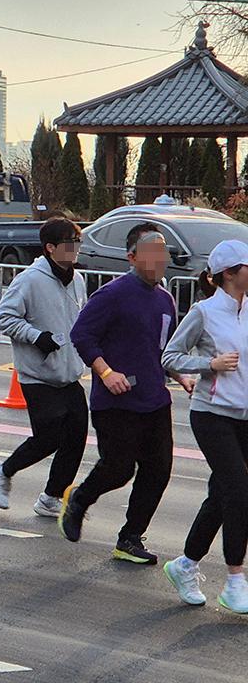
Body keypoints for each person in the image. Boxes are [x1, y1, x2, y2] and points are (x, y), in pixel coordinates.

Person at [60, 222, 191, 564]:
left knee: (158, 470)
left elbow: (161, 351)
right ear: (132, 257)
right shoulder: (112, 294)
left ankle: (129, 538)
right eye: (151, 252)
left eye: (163, 252)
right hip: (116, 401)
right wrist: (105, 372)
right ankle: (79, 499)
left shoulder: (165, 299)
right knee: (119, 469)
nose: (159, 259)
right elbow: (82, 335)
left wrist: (182, 376)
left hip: (154, 400)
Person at [160, 239, 248, 611]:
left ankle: (185, 564)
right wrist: (208, 365)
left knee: (221, 495)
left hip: (246, 417)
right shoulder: (204, 312)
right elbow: (170, 356)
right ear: (230, 274)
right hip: (211, 414)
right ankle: (234, 579)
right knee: (239, 492)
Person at [0, 218, 89, 518]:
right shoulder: (30, 279)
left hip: (69, 373)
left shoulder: (78, 280)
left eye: (78, 242)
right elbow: (4, 317)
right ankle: (2, 471)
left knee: (76, 437)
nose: (76, 249)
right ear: (50, 248)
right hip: (38, 375)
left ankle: (50, 497)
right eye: (70, 243)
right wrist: (36, 336)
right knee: (49, 438)